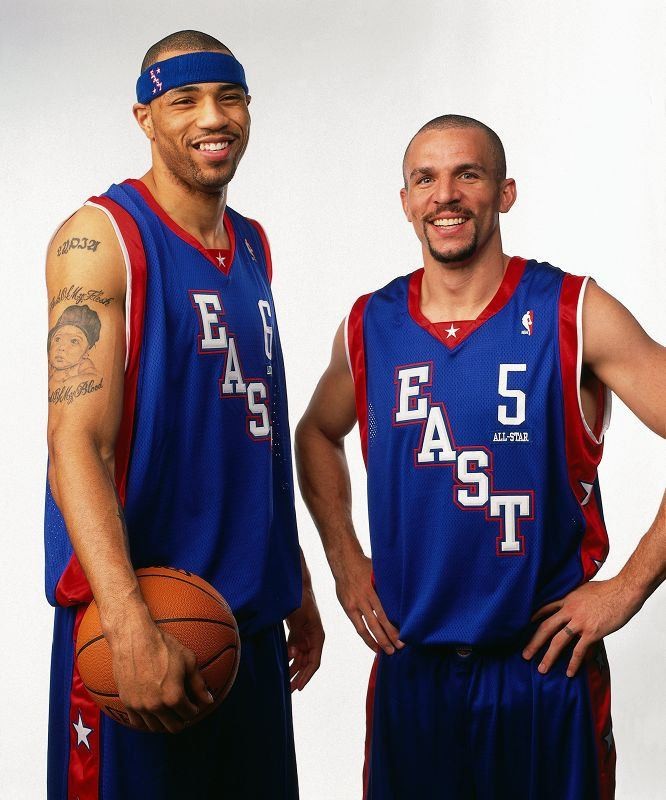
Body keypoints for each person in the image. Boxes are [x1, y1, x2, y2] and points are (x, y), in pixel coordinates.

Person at [296, 114, 665, 799]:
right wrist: (346, 561)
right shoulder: (370, 324)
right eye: (426, 179)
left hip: (543, 670)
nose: (446, 195)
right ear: (406, 201)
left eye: (467, 174)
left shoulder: (572, 312)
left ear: (505, 192)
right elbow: (316, 433)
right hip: (415, 674)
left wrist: (629, 587)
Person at [45, 30, 323, 800]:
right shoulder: (99, 239)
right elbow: (76, 446)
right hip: (142, 627)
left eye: (230, 98)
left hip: (246, 631)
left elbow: (251, 427)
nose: (213, 117)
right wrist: (128, 624)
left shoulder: (253, 246)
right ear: (144, 117)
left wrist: (293, 579)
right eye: (185, 100)